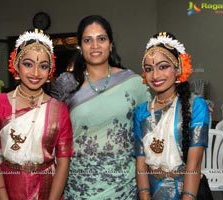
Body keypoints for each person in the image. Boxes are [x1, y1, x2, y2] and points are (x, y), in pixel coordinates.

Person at [50, 15, 151, 199]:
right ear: (80, 46)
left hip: (124, 187)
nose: (95, 45)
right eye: (88, 40)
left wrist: (190, 106)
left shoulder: (133, 82)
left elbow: (157, 117)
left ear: (111, 44)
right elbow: (44, 121)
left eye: (101, 39)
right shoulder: (67, 83)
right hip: (79, 187)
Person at [0, 29, 74, 200]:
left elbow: (63, 163)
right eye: (28, 64)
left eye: (43, 66)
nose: (35, 73)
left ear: (50, 71)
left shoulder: (59, 110)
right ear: (16, 64)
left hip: (47, 188)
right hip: (7, 186)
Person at [133, 32, 210, 200]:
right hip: (152, 192)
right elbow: (140, 163)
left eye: (163, 67)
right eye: (149, 69)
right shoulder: (141, 112)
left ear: (178, 68)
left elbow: (194, 165)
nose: (155, 75)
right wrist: (145, 196)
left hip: (188, 192)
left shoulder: (196, 106)